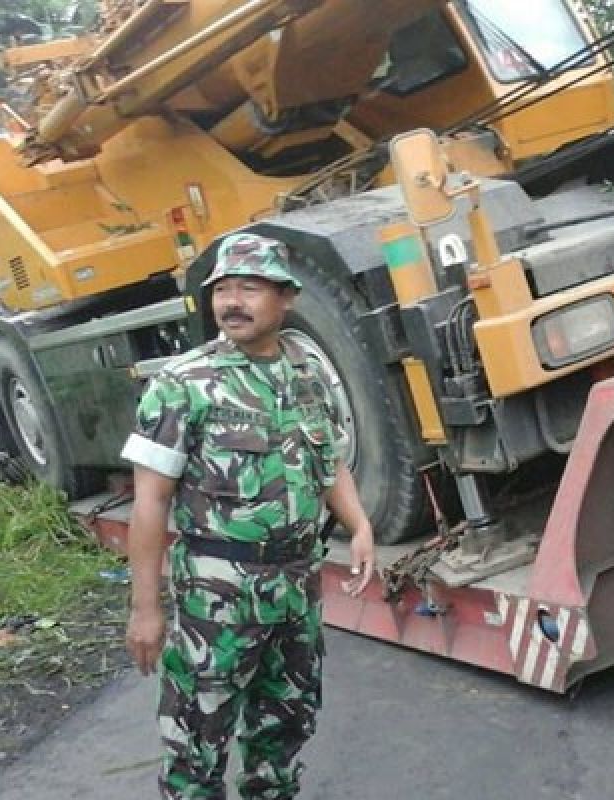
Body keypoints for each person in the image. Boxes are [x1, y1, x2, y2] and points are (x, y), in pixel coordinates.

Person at [121, 232, 376, 800]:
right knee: (197, 742)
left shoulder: (307, 373)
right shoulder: (185, 384)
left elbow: (329, 461)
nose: (232, 301)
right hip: (216, 599)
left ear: (286, 297)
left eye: (250, 288)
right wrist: (145, 610)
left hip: (293, 590)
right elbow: (150, 502)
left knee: (284, 727)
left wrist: (359, 525)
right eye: (223, 290)